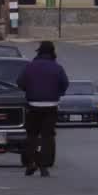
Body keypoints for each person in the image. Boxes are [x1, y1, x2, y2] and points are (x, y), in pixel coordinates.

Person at [16, 41, 69, 177]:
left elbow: (20, 83)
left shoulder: (30, 67)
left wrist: (29, 91)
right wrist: (57, 93)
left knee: (32, 135)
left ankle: (31, 162)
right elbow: (64, 84)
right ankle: (44, 166)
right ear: (52, 52)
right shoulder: (57, 68)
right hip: (51, 105)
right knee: (48, 136)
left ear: (39, 52)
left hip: (33, 105)